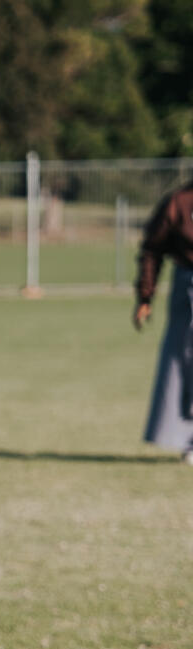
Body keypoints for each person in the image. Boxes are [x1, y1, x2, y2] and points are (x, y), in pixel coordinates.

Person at [134, 177, 193, 464]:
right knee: (186, 361)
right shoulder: (178, 202)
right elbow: (152, 249)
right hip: (188, 288)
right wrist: (145, 296)